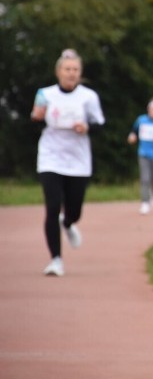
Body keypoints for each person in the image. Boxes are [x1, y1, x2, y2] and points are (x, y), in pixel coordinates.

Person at [30, 48, 106, 277]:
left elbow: (101, 124)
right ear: (58, 72)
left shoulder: (88, 97)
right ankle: (56, 259)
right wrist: (37, 117)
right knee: (52, 207)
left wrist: (87, 127)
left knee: (74, 209)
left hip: (78, 159)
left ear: (80, 72)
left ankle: (69, 222)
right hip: (51, 156)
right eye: (67, 69)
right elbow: (34, 121)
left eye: (75, 69)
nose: (71, 73)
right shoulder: (45, 94)